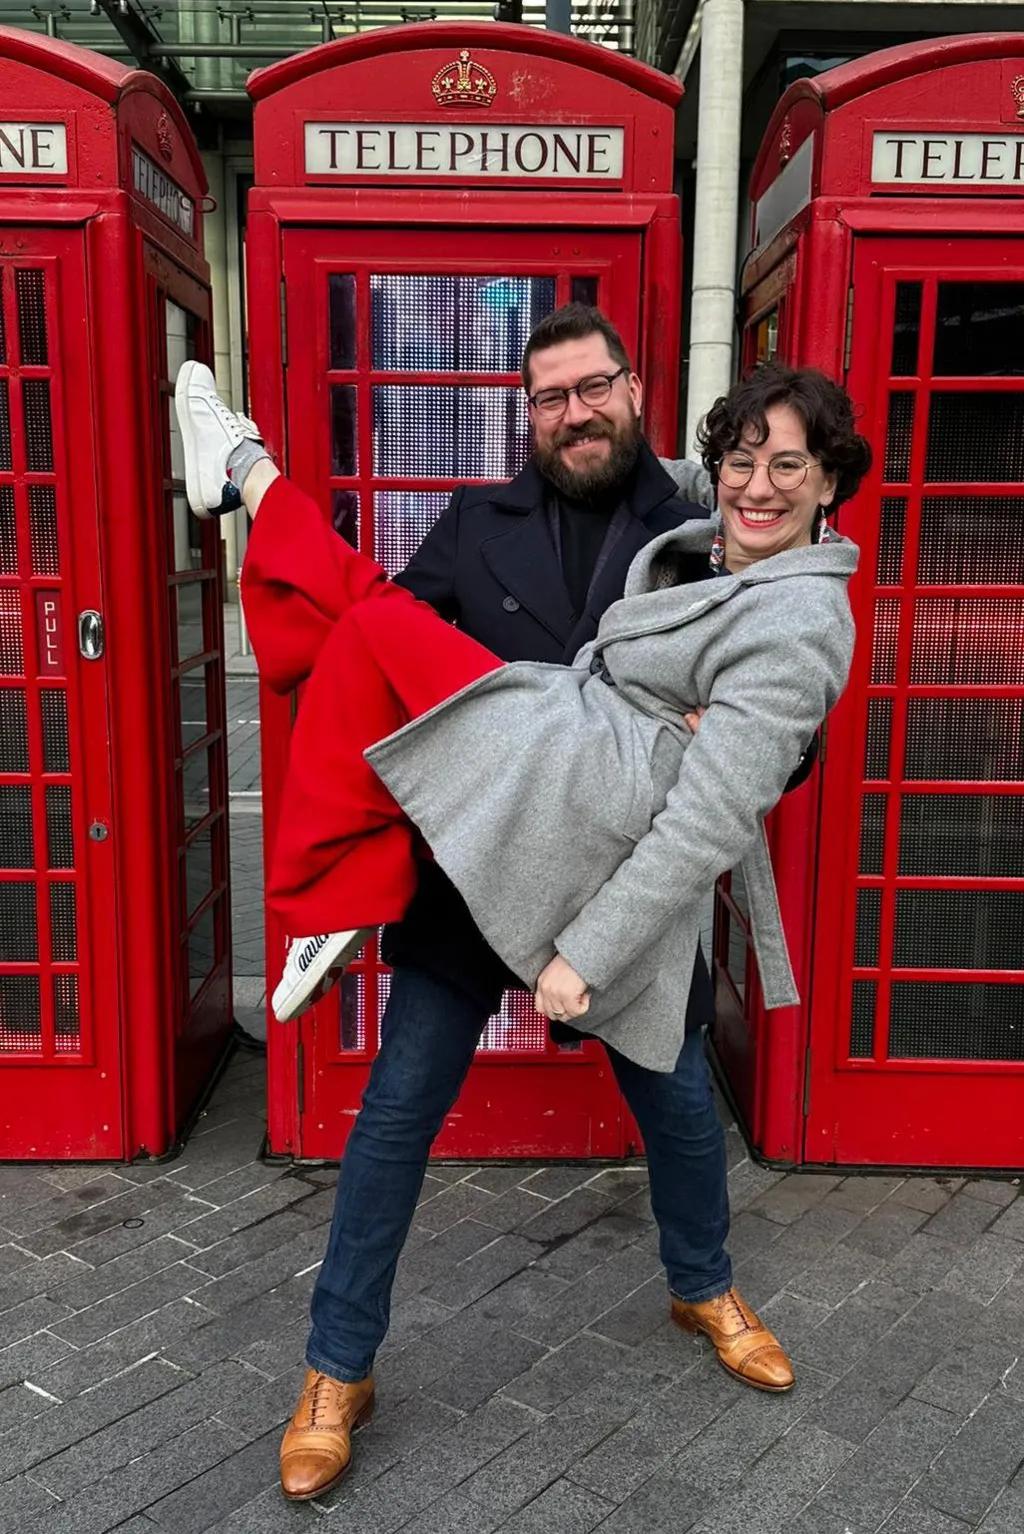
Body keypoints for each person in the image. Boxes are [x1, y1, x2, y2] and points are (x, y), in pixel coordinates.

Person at [175, 312, 869, 1503]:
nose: (573, 410)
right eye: (547, 397)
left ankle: (702, 1281)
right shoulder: (473, 521)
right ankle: (338, 1366)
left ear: (632, 389)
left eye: (592, 386)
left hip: (623, 885)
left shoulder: (707, 522)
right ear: (529, 415)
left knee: (681, 1107)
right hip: (475, 871)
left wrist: (743, 744)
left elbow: (773, 737)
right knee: (395, 1115)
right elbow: (385, 660)